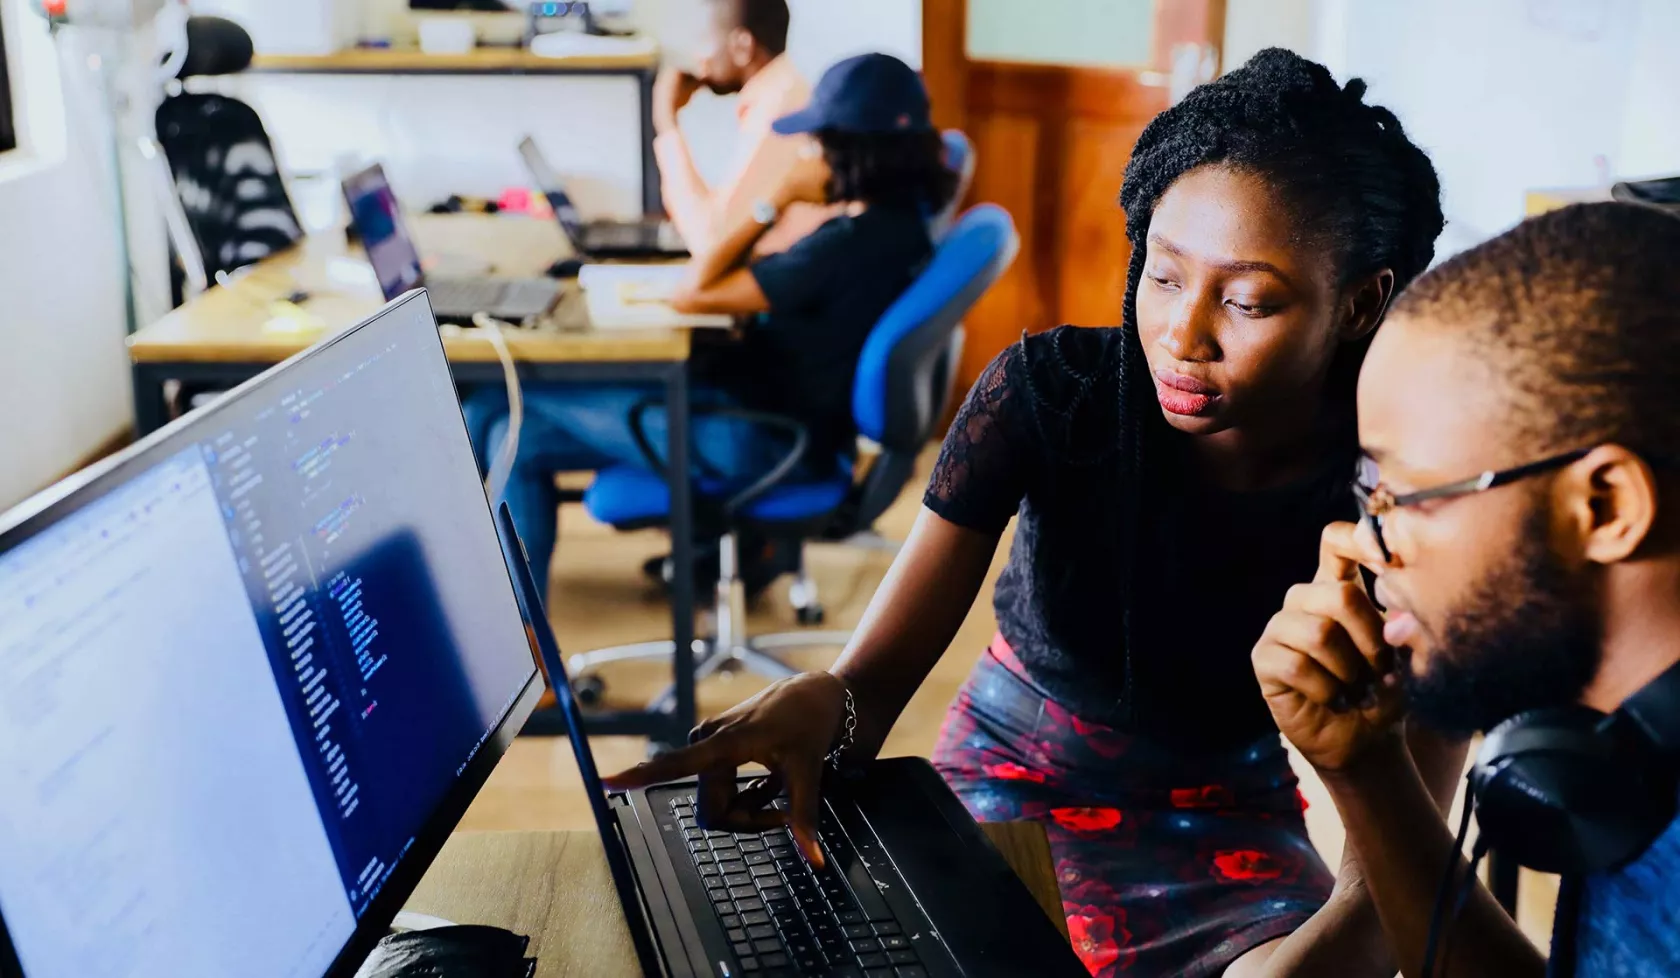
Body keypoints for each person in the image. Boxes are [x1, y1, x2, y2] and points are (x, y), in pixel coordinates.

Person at [606, 49, 1459, 977]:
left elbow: (1383, 885)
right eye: (1163, 276)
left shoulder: (1405, 493)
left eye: (1247, 299)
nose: (1183, 334)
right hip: (1009, 777)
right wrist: (831, 706)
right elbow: (871, 687)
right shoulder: (1052, 398)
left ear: (1360, 303)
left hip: (1230, 817)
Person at [1252, 202, 1680, 978]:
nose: (1359, 544)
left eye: (1404, 498)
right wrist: (1368, 770)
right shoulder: (1619, 753)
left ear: (1606, 507)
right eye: (1366, 491)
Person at [469, 53, 955, 585]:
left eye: (816, 140)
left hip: (755, 441)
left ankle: (506, 625)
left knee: (499, 408)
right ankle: (525, 634)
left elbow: (695, 291)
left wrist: (776, 199)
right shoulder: (902, 227)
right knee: (512, 434)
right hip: (780, 427)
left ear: (851, 151)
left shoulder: (846, 247)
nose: (805, 152)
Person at [654, 0, 833, 255]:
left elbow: (713, 244)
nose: (698, 58)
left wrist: (666, 123)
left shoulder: (778, 113)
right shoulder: (781, 93)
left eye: (704, 41)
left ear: (742, 47)